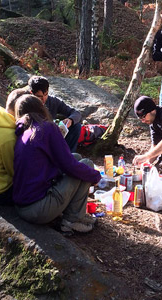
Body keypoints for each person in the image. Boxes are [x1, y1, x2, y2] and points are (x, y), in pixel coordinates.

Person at [12, 95, 101, 233]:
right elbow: (69, 166)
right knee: (86, 165)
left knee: (76, 157)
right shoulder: (46, 128)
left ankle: (74, 214)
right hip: (38, 209)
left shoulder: (23, 131)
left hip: (21, 205)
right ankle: (72, 220)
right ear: (41, 109)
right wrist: (96, 177)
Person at [28, 75, 82, 153]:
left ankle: (69, 156)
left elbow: (76, 113)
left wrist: (70, 120)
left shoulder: (53, 101)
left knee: (76, 126)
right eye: (39, 96)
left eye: (46, 94)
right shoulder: (26, 104)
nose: (43, 99)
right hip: (35, 140)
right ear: (31, 93)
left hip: (52, 138)